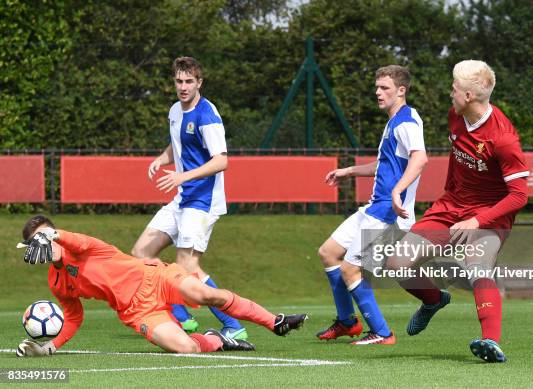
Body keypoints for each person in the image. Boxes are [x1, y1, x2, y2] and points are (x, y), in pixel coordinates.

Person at [385, 60, 529, 363]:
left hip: (490, 214)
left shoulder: (503, 139)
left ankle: (490, 342)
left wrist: (478, 220)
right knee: (396, 263)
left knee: (478, 265)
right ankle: (434, 300)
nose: (450, 93)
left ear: (469, 97)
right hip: (451, 206)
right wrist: (448, 201)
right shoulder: (456, 116)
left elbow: (519, 196)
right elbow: (457, 159)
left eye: (454, 89)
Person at [15, 215, 307, 357]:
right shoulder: (56, 282)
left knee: (206, 294)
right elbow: (74, 317)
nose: (41, 244)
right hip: (136, 311)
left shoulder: (83, 247)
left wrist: (53, 234)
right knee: (186, 349)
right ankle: (220, 340)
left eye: (45, 237)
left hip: (155, 278)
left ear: (53, 235)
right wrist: (48, 348)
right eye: (34, 242)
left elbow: (77, 240)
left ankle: (274, 321)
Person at [131, 56, 247, 339]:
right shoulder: (174, 110)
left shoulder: (207, 115)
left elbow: (221, 161)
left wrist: (182, 176)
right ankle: (182, 317)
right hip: (182, 198)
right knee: (141, 254)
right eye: (179, 81)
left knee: (188, 265)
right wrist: (162, 158)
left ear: (199, 83)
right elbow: (178, 143)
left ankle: (234, 326)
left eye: (189, 82)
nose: (183, 87)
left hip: (203, 201)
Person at [316, 65, 428, 345]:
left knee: (350, 269)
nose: (378, 92)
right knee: (329, 253)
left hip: (388, 214)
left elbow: (420, 158)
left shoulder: (405, 123)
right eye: (377, 87)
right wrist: (349, 171)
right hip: (374, 208)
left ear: (401, 90)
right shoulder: (397, 120)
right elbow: (386, 165)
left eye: (385, 88)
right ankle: (346, 322)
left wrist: (398, 191)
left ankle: (382, 332)